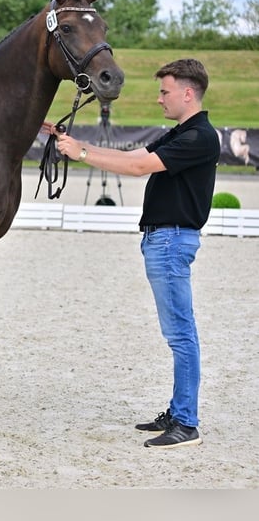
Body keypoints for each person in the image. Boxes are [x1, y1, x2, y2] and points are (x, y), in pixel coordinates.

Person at [52, 58, 220, 448]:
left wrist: (79, 153)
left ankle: (187, 422)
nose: (160, 99)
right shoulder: (183, 132)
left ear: (188, 92)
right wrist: (75, 143)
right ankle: (179, 411)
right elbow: (132, 157)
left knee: (181, 335)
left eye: (165, 91)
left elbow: (138, 168)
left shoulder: (199, 137)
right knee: (178, 333)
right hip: (163, 240)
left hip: (171, 241)